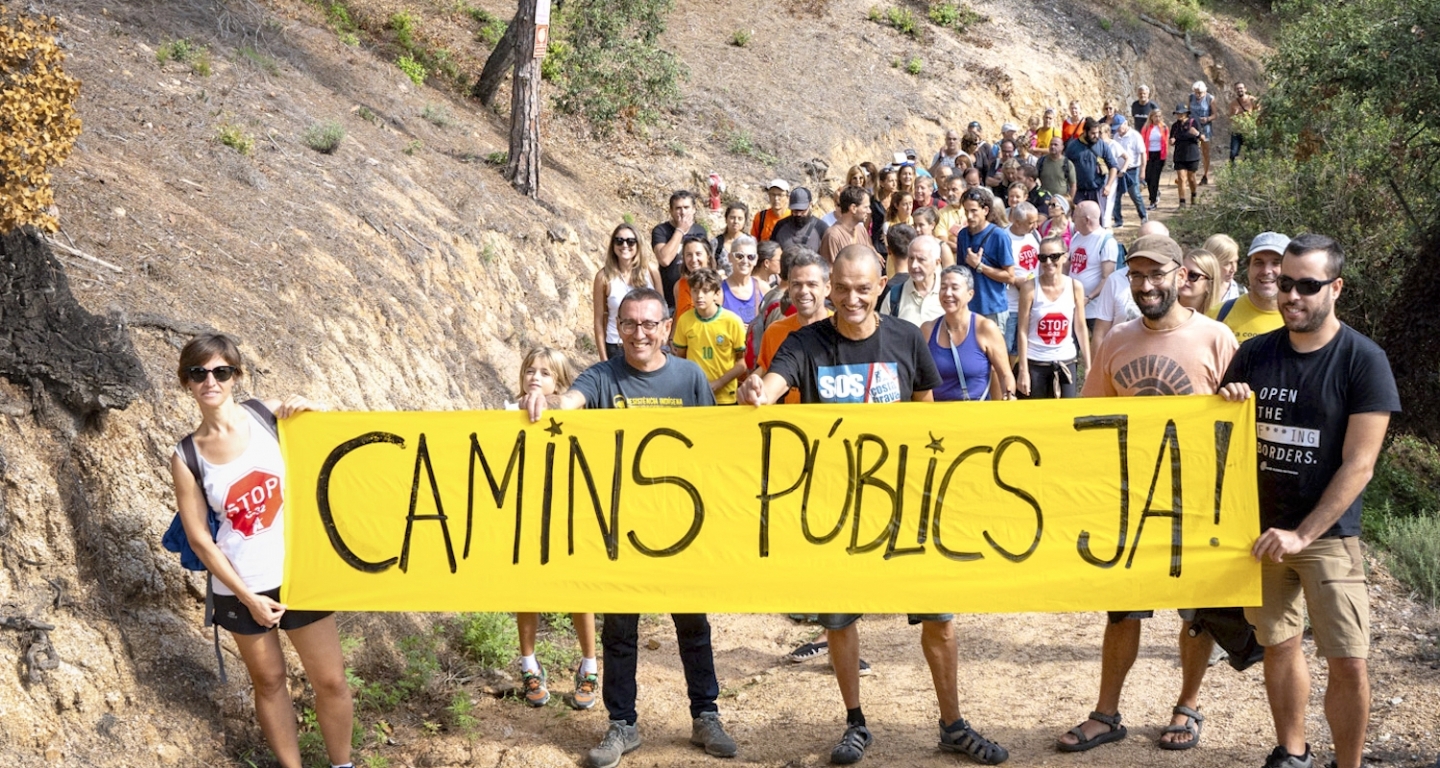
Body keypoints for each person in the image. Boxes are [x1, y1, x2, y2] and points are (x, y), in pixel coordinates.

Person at [737, 245, 1009, 767]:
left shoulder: (907, 339)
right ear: (829, 288)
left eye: (863, 288)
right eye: (842, 289)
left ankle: (953, 724)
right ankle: (855, 723)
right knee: (839, 621)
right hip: (836, 510)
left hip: (907, 506)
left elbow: (925, 418)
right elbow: (775, 383)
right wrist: (758, 391)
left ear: (882, 284)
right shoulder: (805, 342)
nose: (851, 298)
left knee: (940, 617)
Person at [520, 288, 738, 768]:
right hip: (618, 530)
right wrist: (547, 401)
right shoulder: (603, 376)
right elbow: (572, 399)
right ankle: (622, 723)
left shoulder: (690, 377)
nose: (639, 333)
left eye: (648, 324)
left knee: (693, 626)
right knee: (620, 629)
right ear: (618, 328)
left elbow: (713, 448)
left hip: (680, 528)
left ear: (665, 328)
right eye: (630, 323)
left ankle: (706, 715)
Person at [1217, 233, 1400, 768]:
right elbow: (1221, 443)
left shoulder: (1363, 360)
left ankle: (1349, 764)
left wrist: (1304, 533)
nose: (1291, 295)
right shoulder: (1252, 354)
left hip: (1327, 537)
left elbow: (1359, 464)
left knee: (1347, 659)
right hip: (1260, 534)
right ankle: (1292, 751)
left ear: (1335, 287)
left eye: (1307, 285)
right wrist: (1226, 403)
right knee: (1279, 644)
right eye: (1284, 283)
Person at [1057, 234, 1238, 754]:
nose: (1146, 285)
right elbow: (1089, 419)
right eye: (1136, 275)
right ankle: (1106, 713)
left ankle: (1187, 707)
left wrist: (1236, 395)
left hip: (1197, 502)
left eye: (1157, 274)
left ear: (1182, 277)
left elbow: (1241, 414)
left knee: (1196, 615)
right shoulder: (1115, 339)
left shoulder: (1217, 337)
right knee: (1122, 611)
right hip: (1129, 502)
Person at [169, 334, 355, 768]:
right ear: (186, 382)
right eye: (199, 373)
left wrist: (312, 408)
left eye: (221, 371)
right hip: (240, 588)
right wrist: (248, 597)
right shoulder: (186, 455)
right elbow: (200, 538)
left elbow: (333, 447)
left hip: (299, 576)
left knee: (330, 681)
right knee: (270, 682)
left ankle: (342, 765)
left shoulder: (266, 414)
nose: (210, 381)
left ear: (236, 375)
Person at [511, 348, 601, 710]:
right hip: (525, 513)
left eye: (545, 373)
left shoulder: (575, 417)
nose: (535, 377)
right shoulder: (504, 415)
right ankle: (529, 665)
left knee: (578, 589)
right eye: (530, 371)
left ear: (560, 384)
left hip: (568, 513)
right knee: (526, 589)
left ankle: (589, 665)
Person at [922, 265, 1015, 400]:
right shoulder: (927, 330)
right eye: (943, 287)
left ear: (970, 295)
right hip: (938, 416)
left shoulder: (985, 328)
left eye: (955, 288)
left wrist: (1008, 396)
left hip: (976, 415)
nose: (948, 293)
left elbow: (1005, 374)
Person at [756, 248, 834, 404]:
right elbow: (765, 373)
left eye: (812, 284)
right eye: (797, 284)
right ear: (789, 289)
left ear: (827, 288)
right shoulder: (775, 332)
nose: (804, 291)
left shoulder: (840, 330)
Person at [1016, 236, 1089, 398]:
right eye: (1043, 257)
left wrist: (1089, 365)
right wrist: (1023, 370)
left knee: (1065, 416)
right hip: (1036, 361)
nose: (1048, 262)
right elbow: (1022, 330)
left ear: (1065, 256)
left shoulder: (1075, 286)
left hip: (1066, 361)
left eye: (1054, 256)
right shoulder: (1029, 288)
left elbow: (1081, 327)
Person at [674, 269, 748, 404]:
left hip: (725, 397)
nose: (699, 296)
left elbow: (742, 363)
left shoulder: (732, 321)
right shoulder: (685, 320)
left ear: (716, 293)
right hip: (695, 395)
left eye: (705, 291)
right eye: (695, 291)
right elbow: (681, 359)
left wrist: (719, 383)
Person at [594, 224, 662, 362]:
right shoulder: (604, 277)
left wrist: (660, 344)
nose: (625, 245)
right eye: (619, 241)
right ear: (613, 245)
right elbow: (598, 320)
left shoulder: (651, 271)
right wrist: (603, 358)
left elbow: (662, 312)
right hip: (616, 345)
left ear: (638, 244)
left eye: (630, 241)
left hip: (646, 343)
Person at [1211, 231, 1288, 342]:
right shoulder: (1218, 315)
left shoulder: (1302, 321)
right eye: (1259, 262)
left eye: (1276, 263)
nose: (1266, 271)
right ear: (1248, 268)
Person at [652, 191, 707, 311]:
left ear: (693, 209)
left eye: (686, 207)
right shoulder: (661, 231)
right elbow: (664, 260)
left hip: (694, 298)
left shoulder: (700, 231)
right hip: (669, 300)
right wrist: (680, 230)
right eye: (678, 208)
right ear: (671, 211)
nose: (682, 212)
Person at [879, 234, 944, 325]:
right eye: (911, 258)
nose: (914, 265)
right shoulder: (895, 296)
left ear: (937, 263)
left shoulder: (948, 294)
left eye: (921, 259)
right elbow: (884, 333)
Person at [1003, 202, 1041, 356]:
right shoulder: (1004, 238)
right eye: (1030, 223)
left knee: (1024, 349)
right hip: (1011, 305)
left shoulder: (1034, 235)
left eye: (1036, 221)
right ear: (1017, 222)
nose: (1035, 226)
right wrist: (1017, 281)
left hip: (1032, 302)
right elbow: (999, 271)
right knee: (1007, 348)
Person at [1065, 200, 1117, 308]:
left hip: (1094, 308)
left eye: (1075, 216)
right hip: (1073, 303)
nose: (1073, 219)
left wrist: (1088, 297)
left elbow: (1107, 277)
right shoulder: (1076, 237)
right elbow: (1068, 265)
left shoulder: (1105, 241)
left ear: (1086, 220)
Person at [1064, 117, 1119, 205]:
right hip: (1078, 192)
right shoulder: (1073, 146)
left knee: (1097, 218)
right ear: (1085, 132)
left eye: (1098, 133)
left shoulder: (1102, 145)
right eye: (1093, 133)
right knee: (1078, 217)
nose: (1096, 136)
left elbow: (1113, 166)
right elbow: (1064, 167)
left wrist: (1108, 186)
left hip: (1097, 191)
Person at [820, 185, 872, 263]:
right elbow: (830, 271)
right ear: (853, 208)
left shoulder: (861, 230)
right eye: (866, 207)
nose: (869, 211)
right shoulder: (833, 236)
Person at [671, 235, 718, 320]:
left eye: (698, 254)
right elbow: (678, 317)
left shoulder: (719, 284)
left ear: (708, 257)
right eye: (689, 255)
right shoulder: (679, 285)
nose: (693, 259)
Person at [721, 234, 766, 324]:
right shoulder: (719, 290)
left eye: (750, 257)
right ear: (730, 257)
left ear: (756, 259)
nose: (745, 261)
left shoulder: (763, 288)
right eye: (739, 256)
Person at [1112, 117, 1148, 226]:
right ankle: (1118, 220)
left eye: (1119, 127)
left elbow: (1143, 153)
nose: (1118, 130)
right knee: (1116, 195)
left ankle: (1143, 215)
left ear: (1125, 123)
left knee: (1135, 194)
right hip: (1118, 170)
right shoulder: (1116, 136)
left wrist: (1142, 170)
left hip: (1132, 169)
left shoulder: (1135, 136)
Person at [771, 187, 829, 252]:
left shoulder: (821, 228)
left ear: (810, 205)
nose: (798, 214)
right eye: (795, 211)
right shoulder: (780, 226)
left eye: (802, 211)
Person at [1170, 104, 1202, 208]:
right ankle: (1182, 202)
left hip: (1192, 154)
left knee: (1191, 178)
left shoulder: (1193, 123)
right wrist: (1171, 141)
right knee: (1181, 178)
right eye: (1178, 113)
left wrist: (1196, 134)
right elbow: (1172, 138)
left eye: (1182, 113)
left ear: (1186, 113)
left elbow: (1202, 137)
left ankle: (1194, 196)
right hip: (1179, 155)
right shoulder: (1175, 126)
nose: (1180, 115)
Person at [1139, 109, 1169, 211]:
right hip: (1148, 155)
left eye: (1159, 116)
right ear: (1151, 117)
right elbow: (1141, 141)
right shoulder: (1146, 128)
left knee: (1155, 179)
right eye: (1155, 116)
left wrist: (1165, 156)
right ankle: (1156, 193)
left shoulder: (1164, 127)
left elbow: (1166, 142)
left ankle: (1153, 201)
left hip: (1159, 155)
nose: (1157, 118)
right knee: (1148, 178)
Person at [1178, 247, 1223, 314]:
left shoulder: (1218, 319)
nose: (1185, 278)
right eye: (1181, 273)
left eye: (1193, 275)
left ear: (1209, 284)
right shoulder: (1162, 312)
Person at [1189, 81, 1217, 185]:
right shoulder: (1190, 97)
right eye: (1196, 92)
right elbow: (1188, 111)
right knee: (1191, 150)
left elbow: (1215, 115)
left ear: (1205, 91)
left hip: (1205, 128)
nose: (1198, 94)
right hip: (1193, 127)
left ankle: (1205, 175)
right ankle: (1191, 175)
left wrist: (1207, 118)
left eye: (1200, 92)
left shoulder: (1210, 98)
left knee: (1205, 152)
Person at [1202, 234, 1244, 303]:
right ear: (1211, 262)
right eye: (1227, 263)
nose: (1234, 269)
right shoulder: (1192, 291)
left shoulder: (1240, 293)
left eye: (1236, 261)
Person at [713, 202, 749, 270]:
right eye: (732, 217)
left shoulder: (750, 242)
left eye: (740, 218)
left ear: (745, 221)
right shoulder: (716, 243)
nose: (736, 221)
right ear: (726, 219)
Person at [1228, 82, 1257, 164]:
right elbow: (1230, 117)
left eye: (1241, 88)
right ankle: (1232, 172)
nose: (1239, 90)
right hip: (1237, 131)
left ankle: (1249, 171)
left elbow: (1258, 113)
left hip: (1249, 131)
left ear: (1245, 89)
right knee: (1233, 153)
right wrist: (1236, 115)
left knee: (1249, 153)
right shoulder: (1233, 103)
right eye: (1237, 89)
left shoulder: (1252, 100)